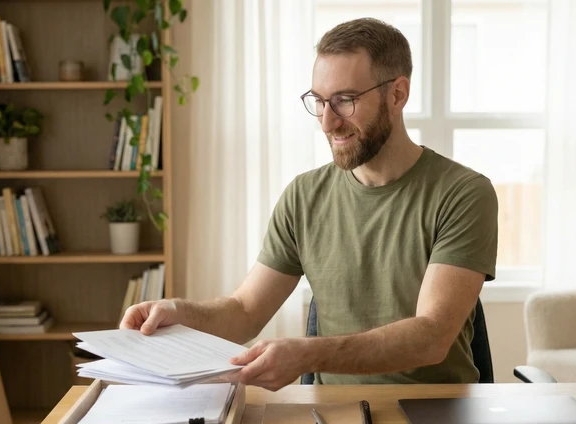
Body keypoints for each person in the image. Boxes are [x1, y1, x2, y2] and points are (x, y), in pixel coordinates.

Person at [120, 17, 498, 391]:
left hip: (437, 416)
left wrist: (309, 355)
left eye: (344, 101)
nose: (327, 122)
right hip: (334, 417)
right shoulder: (304, 197)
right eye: (318, 102)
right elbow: (246, 311)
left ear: (397, 94)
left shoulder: (463, 194)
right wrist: (179, 314)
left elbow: (431, 336)